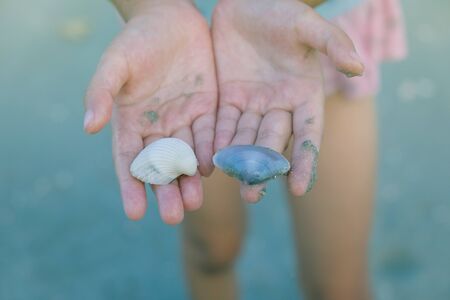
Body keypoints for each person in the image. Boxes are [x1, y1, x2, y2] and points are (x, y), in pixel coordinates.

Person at [83, 0, 406, 299]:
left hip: (318, 23)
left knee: (339, 287)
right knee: (212, 248)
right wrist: (149, 8)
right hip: (180, 58)